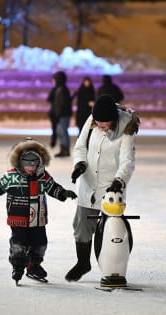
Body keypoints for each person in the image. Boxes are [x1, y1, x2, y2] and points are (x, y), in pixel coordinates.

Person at [0, 138, 77, 285]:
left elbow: (53, 188)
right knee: (19, 244)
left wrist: (63, 193)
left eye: (34, 163)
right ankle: (18, 267)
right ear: (19, 161)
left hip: (38, 218)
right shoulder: (11, 176)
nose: (31, 167)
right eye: (27, 164)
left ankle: (33, 265)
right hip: (18, 218)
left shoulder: (43, 176)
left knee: (40, 243)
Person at [64, 94, 140, 282]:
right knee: (81, 225)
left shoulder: (126, 130)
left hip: (111, 187)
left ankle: (112, 266)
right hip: (88, 183)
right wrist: (80, 164)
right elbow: (80, 146)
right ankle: (83, 263)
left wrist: (118, 181)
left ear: (113, 120)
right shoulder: (92, 121)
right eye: (97, 123)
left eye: (104, 124)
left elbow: (127, 161)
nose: (100, 127)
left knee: (112, 229)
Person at [47, 71, 73, 157]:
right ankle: (63, 149)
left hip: (62, 115)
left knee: (62, 131)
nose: (52, 81)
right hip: (61, 115)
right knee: (60, 131)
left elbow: (61, 104)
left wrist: (58, 114)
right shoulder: (59, 89)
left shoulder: (62, 90)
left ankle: (65, 150)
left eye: (54, 79)